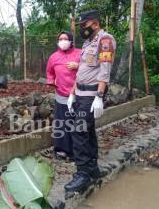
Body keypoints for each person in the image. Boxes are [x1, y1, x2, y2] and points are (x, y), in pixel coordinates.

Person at [65, 10, 116, 192]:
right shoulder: (88, 42)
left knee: (78, 132)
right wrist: (72, 93)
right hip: (80, 94)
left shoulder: (105, 41)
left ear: (94, 23)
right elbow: (82, 73)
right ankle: (93, 168)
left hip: (92, 96)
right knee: (88, 131)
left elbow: (104, 71)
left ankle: (83, 173)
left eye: (83, 25)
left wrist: (100, 97)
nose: (81, 29)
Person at [46, 31, 81, 160]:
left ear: (71, 41)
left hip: (78, 95)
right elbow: (49, 72)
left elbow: (89, 68)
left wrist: (78, 65)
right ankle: (62, 150)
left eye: (65, 39)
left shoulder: (79, 53)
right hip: (61, 95)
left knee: (77, 123)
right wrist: (51, 81)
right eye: (60, 39)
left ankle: (76, 151)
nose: (63, 41)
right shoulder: (53, 57)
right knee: (62, 123)